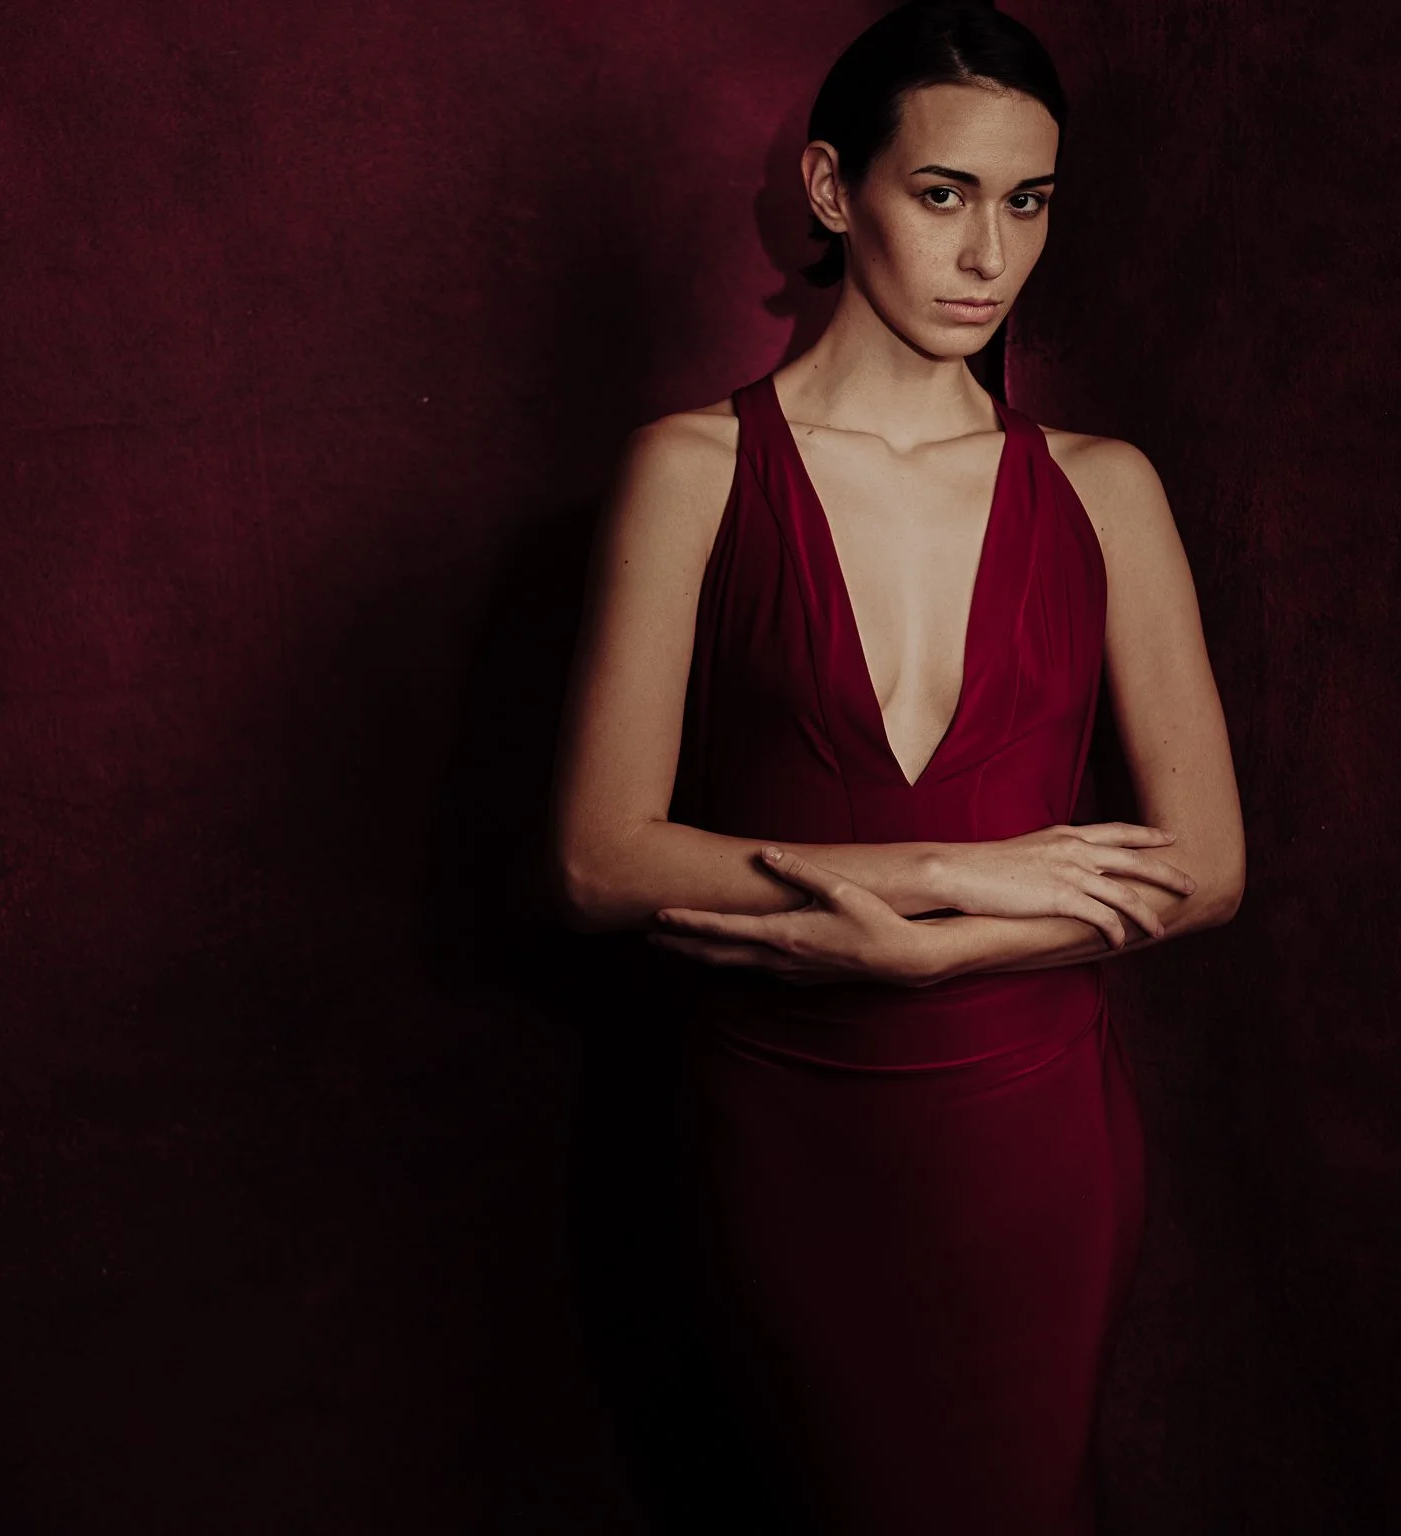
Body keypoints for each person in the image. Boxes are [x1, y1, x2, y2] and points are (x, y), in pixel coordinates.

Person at [547, 2, 1245, 1529]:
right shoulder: (694, 472)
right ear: (829, 187)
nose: (989, 254)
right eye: (943, 194)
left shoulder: (1106, 491)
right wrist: (938, 870)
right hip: (786, 1134)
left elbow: (1207, 869)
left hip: (1034, 1137)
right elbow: (599, 861)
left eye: (1027, 203)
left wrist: (940, 952)